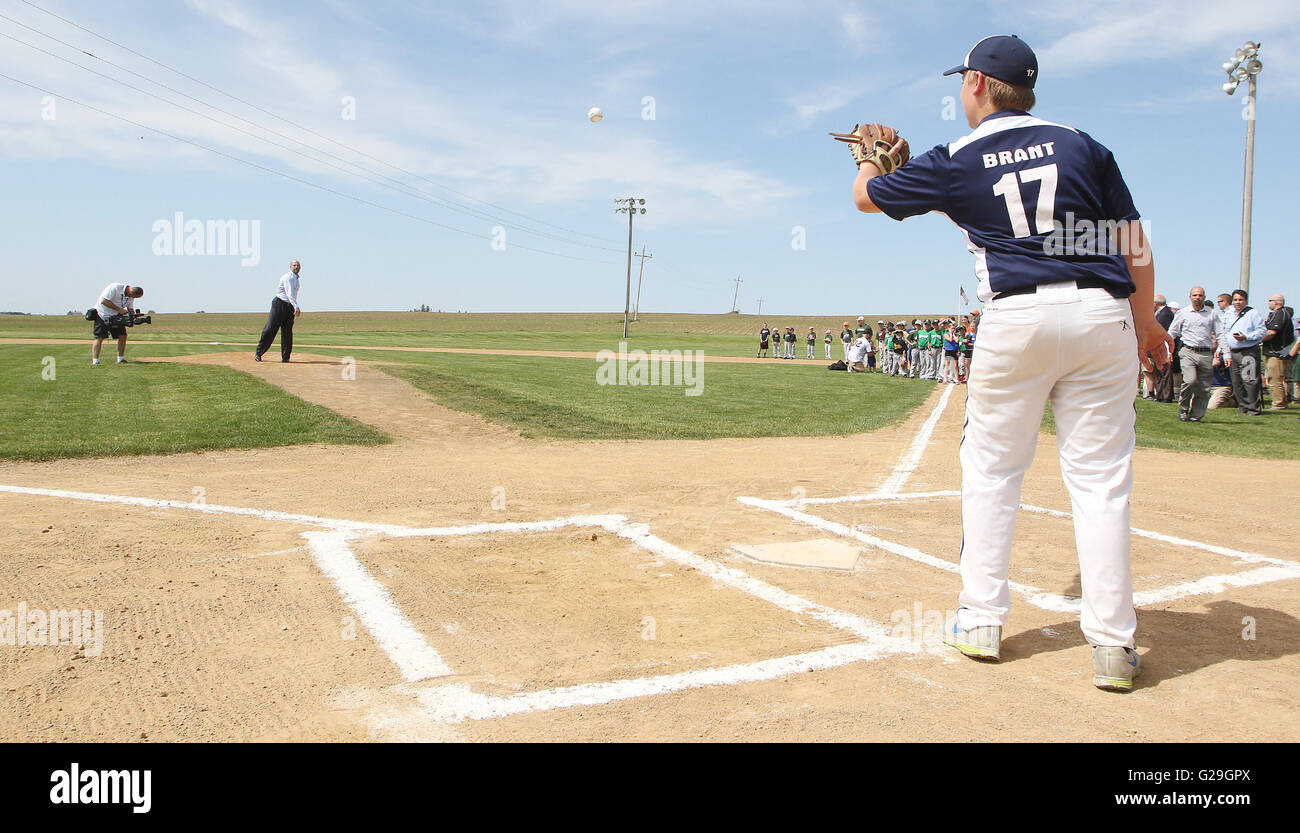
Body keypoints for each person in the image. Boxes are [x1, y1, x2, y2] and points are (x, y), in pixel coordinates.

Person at [850, 34, 1170, 691]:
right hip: (1102, 313)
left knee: (993, 470)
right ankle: (1113, 646)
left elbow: (867, 198)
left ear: (975, 85)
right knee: (1101, 482)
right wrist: (1148, 326)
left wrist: (869, 160)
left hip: (1016, 317)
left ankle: (981, 620)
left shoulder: (956, 157)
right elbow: (1135, 243)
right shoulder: (1083, 142)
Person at [1167, 286, 1220, 422]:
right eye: (1195, 295)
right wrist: (1168, 350)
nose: (1198, 298)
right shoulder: (1183, 313)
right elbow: (1172, 332)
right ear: (1190, 297)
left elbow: (1220, 334)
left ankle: (1196, 415)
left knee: (1204, 387)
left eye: (1200, 295)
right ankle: (1183, 408)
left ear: (1204, 297)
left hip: (1205, 352)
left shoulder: (1212, 314)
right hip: (1188, 351)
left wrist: (1224, 352)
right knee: (1190, 380)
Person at [1219, 289, 1266, 415]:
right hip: (1232, 351)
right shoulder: (1229, 314)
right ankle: (1243, 406)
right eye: (1235, 300)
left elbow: (1261, 331)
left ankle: (1253, 408)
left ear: (1245, 301)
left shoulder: (1253, 313)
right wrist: (1221, 349)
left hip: (1248, 350)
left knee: (1249, 379)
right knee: (1236, 381)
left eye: (1240, 300)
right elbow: (1224, 332)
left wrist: (1246, 337)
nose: (1238, 302)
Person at [255, 260, 302, 362]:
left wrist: (293, 307)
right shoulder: (287, 277)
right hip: (279, 304)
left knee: (287, 332)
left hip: (289, 307)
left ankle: (286, 357)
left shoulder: (297, 279)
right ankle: (259, 353)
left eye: (298, 265)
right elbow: (289, 293)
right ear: (290, 267)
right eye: (294, 265)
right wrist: (296, 307)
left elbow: (293, 295)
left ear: (300, 268)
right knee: (270, 329)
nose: (296, 267)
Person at [91, 283, 144, 365]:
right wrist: (119, 309)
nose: (133, 298)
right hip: (102, 314)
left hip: (116, 316)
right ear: (131, 291)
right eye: (134, 296)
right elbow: (104, 301)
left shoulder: (130, 297)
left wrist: (134, 317)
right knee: (99, 337)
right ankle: (95, 361)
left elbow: (130, 308)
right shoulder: (114, 288)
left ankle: (120, 359)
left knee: (123, 336)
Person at [1262, 294, 1294, 411]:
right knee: (1275, 378)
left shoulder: (1279, 314)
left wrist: (1257, 339)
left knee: (1274, 378)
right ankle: (1281, 402)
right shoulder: (1282, 313)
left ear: (1276, 302)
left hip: (1276, 352)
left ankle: (1278, 404)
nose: (1268, 303)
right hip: (1278, 351)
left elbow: (1272, 332)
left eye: (1270, 300)